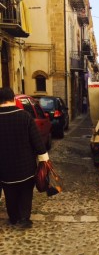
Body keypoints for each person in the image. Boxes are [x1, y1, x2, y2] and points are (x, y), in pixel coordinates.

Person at [0, 87, 49, 228]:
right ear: (13, 99)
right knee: (26, 193)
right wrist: (44, 160)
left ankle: (13, 218)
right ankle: (24, 219)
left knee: (9, 193)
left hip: (4, 168)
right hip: (26, 166)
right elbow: (37, 141)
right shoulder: (24, 116)